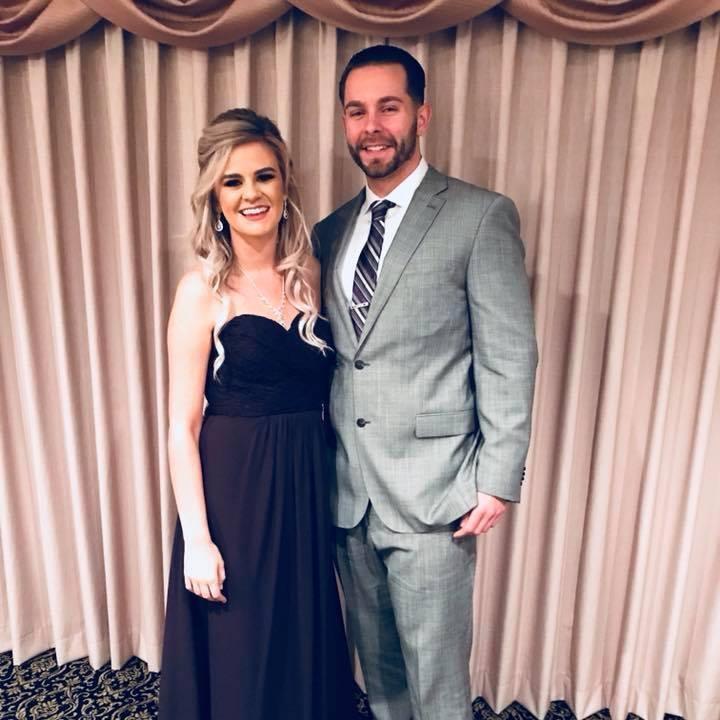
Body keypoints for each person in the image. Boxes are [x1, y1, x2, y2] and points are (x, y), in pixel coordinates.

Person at [312, 45, 538, 720]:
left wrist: (498, 478)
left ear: (421, 115)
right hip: (349, 497)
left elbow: (509, 355)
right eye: (357, 111)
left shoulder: (479, 215)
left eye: (389, 107)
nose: (372, 126)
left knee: (437, 689)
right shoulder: (329, 231)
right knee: (381, 679)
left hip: (435, 496)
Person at [159, 108, 355, 720]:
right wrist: (197, 540)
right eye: (233, 181)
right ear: (216, 198)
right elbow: (181, 427)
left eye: (264, 176)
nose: (252, 194)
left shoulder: (312, 276)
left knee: (300, 639)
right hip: (235, 495)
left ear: (284, 184)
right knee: (242, 647)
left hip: (304, 485)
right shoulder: (201, 291)